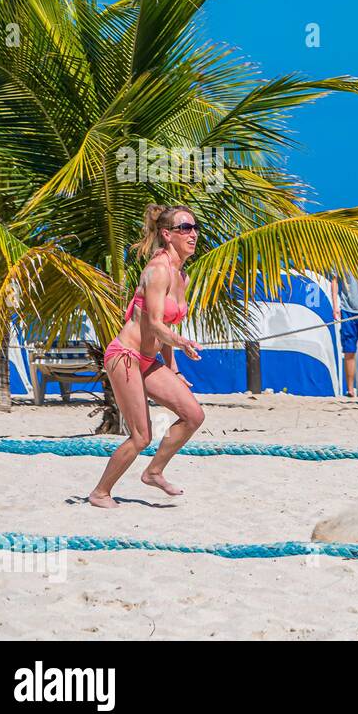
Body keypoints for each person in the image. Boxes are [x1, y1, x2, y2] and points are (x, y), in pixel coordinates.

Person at [89, 205, 206, 509]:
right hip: (124, 356)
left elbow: (165, 327)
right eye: (185, 228)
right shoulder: (157, 270)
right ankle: (100, 492)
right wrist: (181, 341)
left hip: (148, 360)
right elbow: (154, 323)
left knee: (194, 415)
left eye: (194, 227)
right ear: (167, 235)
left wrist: (175, 370)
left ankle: (154, 471)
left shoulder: (183, 277)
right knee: (141, 437)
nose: (192, 233)